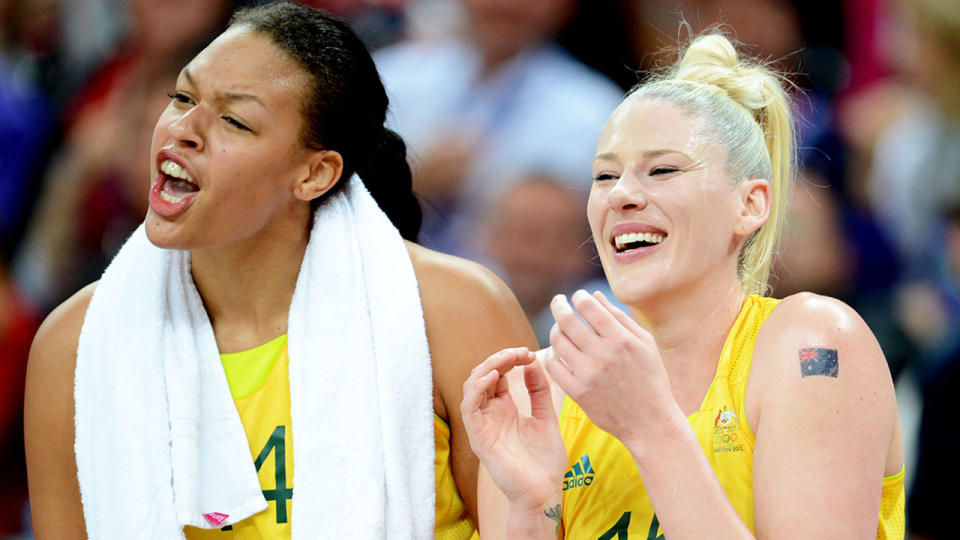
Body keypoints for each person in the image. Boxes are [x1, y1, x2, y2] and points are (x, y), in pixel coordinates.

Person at [24, 2, 535, 539]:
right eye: (182, 96)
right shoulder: (74, 344)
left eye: (234, 120)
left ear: (315, 174)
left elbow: (538, 522)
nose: (184, 130)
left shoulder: (456, 311)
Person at [460, 32, 904, 539]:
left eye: (662, 169)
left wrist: (650, 428)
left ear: (751, 204)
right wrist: (531, 506)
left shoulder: (814, 347)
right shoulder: (542, 393)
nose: (622, 194)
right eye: (604, 177)